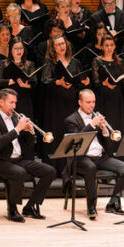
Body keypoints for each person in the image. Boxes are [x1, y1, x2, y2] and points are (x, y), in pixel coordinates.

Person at [0, 88, 57, 222]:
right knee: (19, 173)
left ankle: (30, 206)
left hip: (17, 160)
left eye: (15, 103)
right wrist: (18, 129)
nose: (14, 106)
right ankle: (12, 209)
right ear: (1, 102)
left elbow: (28, 144)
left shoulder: (15, 118)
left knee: (50, 171)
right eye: (11, 103)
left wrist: (29, 132)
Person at [62, 89, 124, 219]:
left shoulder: (96, 116)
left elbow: (108, 147)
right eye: (88, 102)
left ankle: (113, 202)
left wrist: (105, 131)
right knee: (90, 167)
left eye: (93, 102)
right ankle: (91, 207)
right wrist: (91, 125)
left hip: (100, 157)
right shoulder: (71, 120)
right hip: (80, 158)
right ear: (80, 102)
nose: (92, 105)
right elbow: (76, 142)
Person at [40, 35, 90, 169]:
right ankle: (54, 167)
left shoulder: (75, 62)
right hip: (55, 104)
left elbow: (79, 81)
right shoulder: (49, 62)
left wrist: (85, 82)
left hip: (71, 102)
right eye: (58, 45)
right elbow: (45, 80)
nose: (61, 47)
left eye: (63, 43)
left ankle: (70, 168)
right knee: (56, 132)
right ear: (53, 48)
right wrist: (58, 82)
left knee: (70, 132)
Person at [90, 34, 124, 135]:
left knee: (117, 124)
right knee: (105, 125)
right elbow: (95, 83)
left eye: (111, 45)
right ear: (102, 47)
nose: (109, 48)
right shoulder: (97, 61)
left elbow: (123, 85)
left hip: (116, 98)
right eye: (106, 45)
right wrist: (104, 83)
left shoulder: (120, 62)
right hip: (103, 97)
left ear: (115, 46)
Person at [0, 37, 38, 118]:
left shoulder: (30, 64)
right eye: (16, 48)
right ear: (11, 49)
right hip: (8, 100)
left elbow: (34, 82)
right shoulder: (3, 63)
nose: (19, 51)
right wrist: (9, 81)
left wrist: (26, 85)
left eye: (21, 48)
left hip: (24, 99)